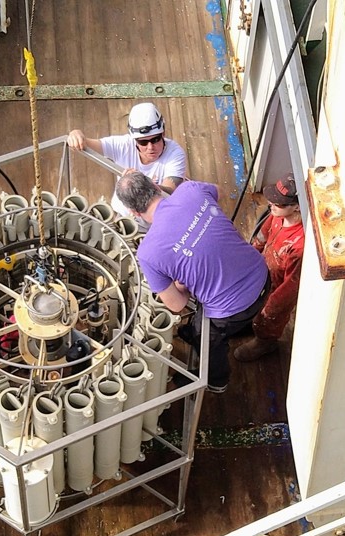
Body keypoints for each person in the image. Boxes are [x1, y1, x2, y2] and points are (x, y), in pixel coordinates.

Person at [115, 171, 269, 394]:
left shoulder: (148, 253)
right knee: (208, 321)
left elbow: (176, 305)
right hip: (262, 274)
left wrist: (183, 283)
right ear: (154, 184)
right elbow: (219, 191)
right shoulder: (190, 190)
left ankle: (216, 381)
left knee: (207, 339)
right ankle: (241, 328)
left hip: (232, 310)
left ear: (132, 212)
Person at [67, 102, 188, 216]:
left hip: (157, 219)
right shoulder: (124, 144)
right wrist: (76, 134)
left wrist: (143, 182)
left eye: (155, 139)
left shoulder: (175, 153)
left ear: (163, 134)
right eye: (143, 142)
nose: (150, 147)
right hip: (123, 217)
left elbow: (169, 190)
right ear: (134, 140)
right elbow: (86, 144)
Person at [234, 174, 306, 362]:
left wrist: (273, 307)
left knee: (269, 319)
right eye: (272, 199)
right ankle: (252, 321)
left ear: (297, 206)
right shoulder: (276, 217)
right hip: (262, 274)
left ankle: (265, 341)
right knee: (253, 305)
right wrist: (249, 256)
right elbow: (263, 236)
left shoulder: (300, 246)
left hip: (277, 289)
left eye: (279, 203)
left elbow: (291, 287)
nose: (271, 204)